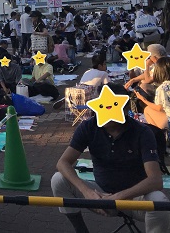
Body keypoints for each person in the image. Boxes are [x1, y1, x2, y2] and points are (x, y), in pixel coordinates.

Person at [51, 84, 170, 233]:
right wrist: (88, 192)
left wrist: (118, 198)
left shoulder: (142, 132)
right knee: (58, 179)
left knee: (160, 201)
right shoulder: (88, 127)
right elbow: (63, 162)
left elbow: (155, 180)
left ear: (126, 108)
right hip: (100, 194)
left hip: (136, 198)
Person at [135, 56, 170, 130]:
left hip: (168, 120)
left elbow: (159, 108)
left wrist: (143, 99)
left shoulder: (163, 88)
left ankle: (158, 135)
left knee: (147, 110)